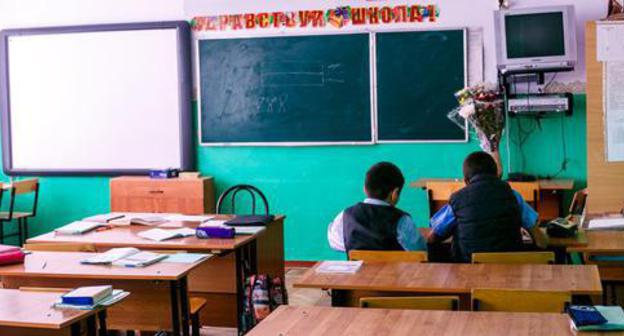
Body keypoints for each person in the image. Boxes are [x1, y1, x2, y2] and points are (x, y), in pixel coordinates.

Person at [427, 151, 548, 263]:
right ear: (497, 174)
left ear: (466, 180)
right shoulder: (513, 196)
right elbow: (540, 241)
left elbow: (432, 238)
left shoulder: (457, 200)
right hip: (510, 272)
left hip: (469, 271)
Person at [327, 162, 427, 254]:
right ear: (395, 193)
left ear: (364, 189)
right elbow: (420, 251)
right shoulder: (402, 220)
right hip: (396, 272)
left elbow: (334, 242)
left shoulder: (346, 215)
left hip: (361, 273)